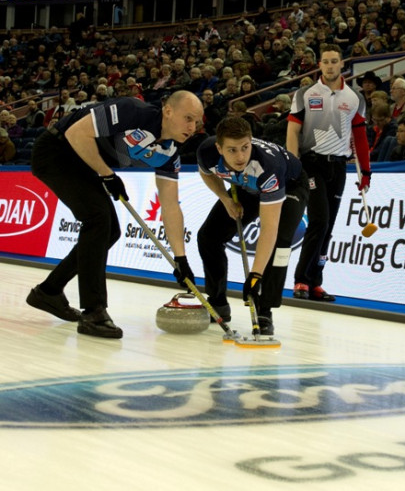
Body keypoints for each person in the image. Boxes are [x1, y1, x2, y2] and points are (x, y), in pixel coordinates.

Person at [26, 90, 204, 338]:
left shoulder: (169, 153)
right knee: (98, 220)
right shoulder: (133, 111)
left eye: (197, 121)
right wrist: (106, 173)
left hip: (84, 161)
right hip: (58, 151)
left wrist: (181, 260)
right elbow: (76, 133)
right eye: (188, 118)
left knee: (110, 230)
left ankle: (49, 292)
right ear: (168, 110)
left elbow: (171, 205)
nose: (192, 127)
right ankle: (93, 311)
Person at [195, 116, 307, 334]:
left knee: (280, 245)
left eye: (245, 148)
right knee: (209, 236)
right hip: (248, 186)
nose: (240, 156)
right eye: (232, 150)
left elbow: (269, 228)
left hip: (290, 184)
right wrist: (225, 199)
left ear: (252, 141)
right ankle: (218, 302)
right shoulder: (206, 151)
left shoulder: (268, 167)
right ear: (219, 148)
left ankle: (265, 311)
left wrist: (255, 276)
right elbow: (206, 173)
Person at [287, 44, 370, 302]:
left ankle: (316, 282)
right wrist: (293, 164)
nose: (330, 66)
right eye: (326, 62)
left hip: (339, 167)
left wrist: (365, 172)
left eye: (335, 61)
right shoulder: (305, 93)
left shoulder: (355, 98)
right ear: (320, 65)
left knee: (329, 227)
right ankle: (301, 279)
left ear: (342, 63)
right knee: (319, 221)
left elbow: (360, 135)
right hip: (312, 164)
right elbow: (292, 131)